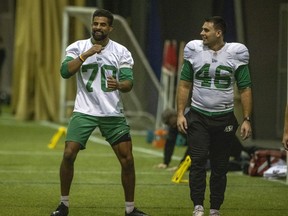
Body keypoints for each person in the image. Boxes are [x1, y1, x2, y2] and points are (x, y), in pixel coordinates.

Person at [50, 9, 148, 216]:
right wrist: (86, 54)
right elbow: (65, 71)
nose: (98, 27)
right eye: (96, 24)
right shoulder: (77, 47)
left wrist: (119, 84)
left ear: (110, 28)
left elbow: (129, 83)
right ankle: (63, 205)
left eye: (103, 24)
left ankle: (130, 209)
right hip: (84, 110)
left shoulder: (121, 52)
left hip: (112, 112)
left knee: (127, 159)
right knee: (68, 154)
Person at [176, 16, 252, 216]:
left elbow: (245, 88)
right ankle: (198, 206)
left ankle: (215, 208)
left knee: (220, 166)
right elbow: (184, 84)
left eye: (206, 30)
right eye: (202, 29)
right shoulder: (194, 50)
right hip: (198, 115)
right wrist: (180, 114)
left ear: (218, 33)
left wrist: (246, 118)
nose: (202, 33)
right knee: (198, 160)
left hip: (224, 117)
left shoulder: (236, 53)